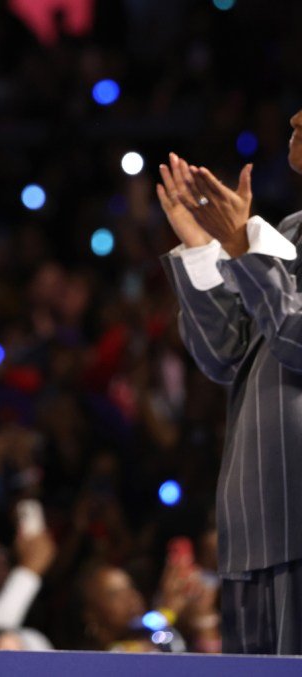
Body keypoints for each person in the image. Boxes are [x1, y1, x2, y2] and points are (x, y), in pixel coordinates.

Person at [156, 107, 302, 654]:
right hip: (252, 524)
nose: (294, 115)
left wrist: (242, 247)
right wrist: (201, 247)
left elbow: (294, 335)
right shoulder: (288, 232)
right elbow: (225, 356)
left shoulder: (263, 241)